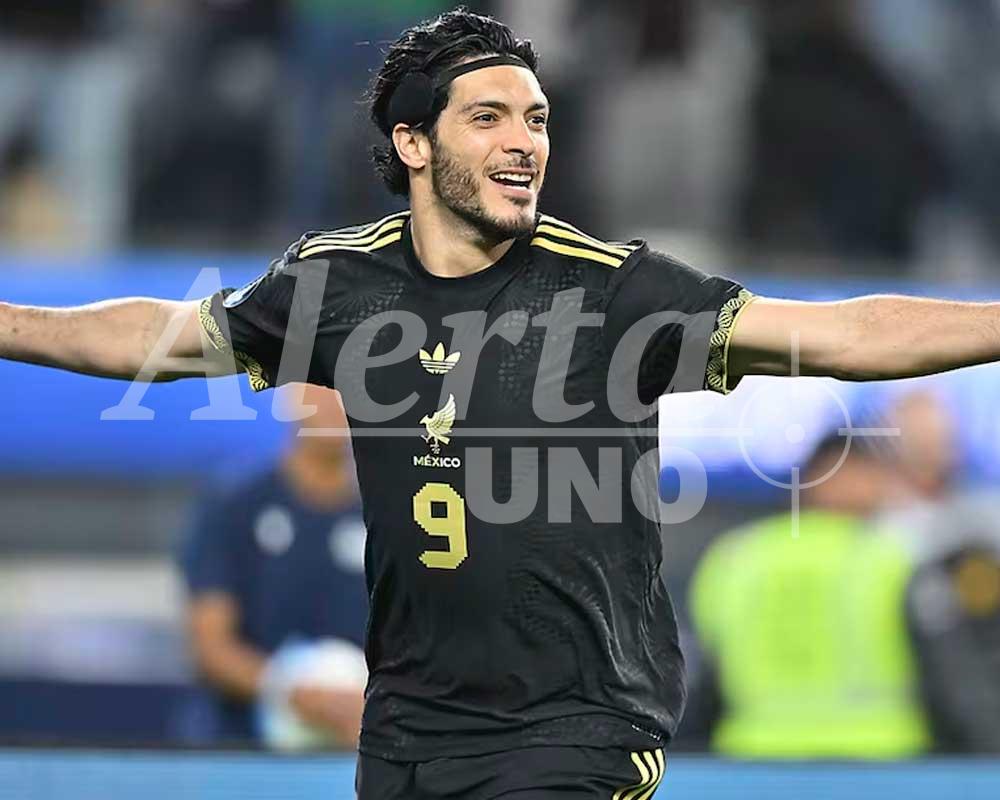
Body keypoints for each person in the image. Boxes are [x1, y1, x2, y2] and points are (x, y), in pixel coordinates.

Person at [5, 7, 1000, 797]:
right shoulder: (336, 285)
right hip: (408, 731)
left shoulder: (614, 290)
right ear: (412, 142)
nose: (525, 142)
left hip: (579, 727)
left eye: (536, 119)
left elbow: (844, 333)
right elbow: (155, 337)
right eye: (488, 117)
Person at [685, 434, 930, 758]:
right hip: (878, 755)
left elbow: (698, 667)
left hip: (754, 752)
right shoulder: (893, 556)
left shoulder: (736, 555)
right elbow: (946, 670)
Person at [178, 384, 367, 748]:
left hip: (356, 755)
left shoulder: (390, 514)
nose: (333, 401)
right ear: (289, 392)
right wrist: (291, 692)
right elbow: (210, 647)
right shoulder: (234, 504)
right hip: (240, 749)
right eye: (320, 384)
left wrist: (368, 704)